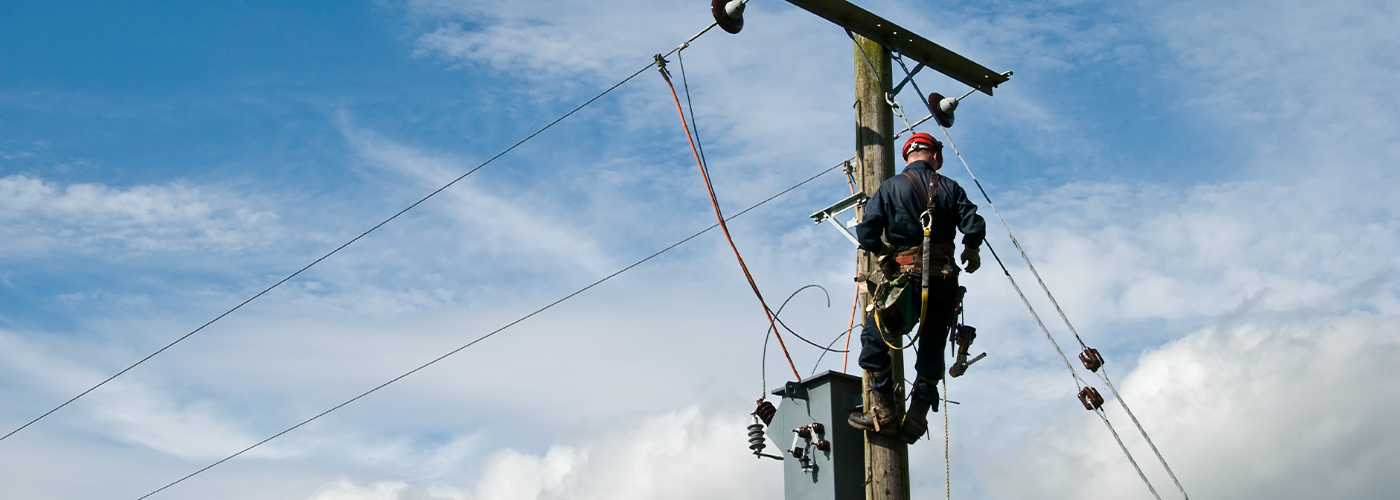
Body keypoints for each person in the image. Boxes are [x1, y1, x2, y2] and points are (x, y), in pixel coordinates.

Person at [847, 132, 986, 444]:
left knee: (875, 340)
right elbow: (973, 224)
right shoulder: (951, 188)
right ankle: (917, 417)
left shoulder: (890, 188)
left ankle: (883, 411)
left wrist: (883, 255)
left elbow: (867, 232)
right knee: (932, 346)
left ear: (907, 157)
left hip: (904, 281)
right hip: (943, 281)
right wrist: (971, 250)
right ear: (936, 157)